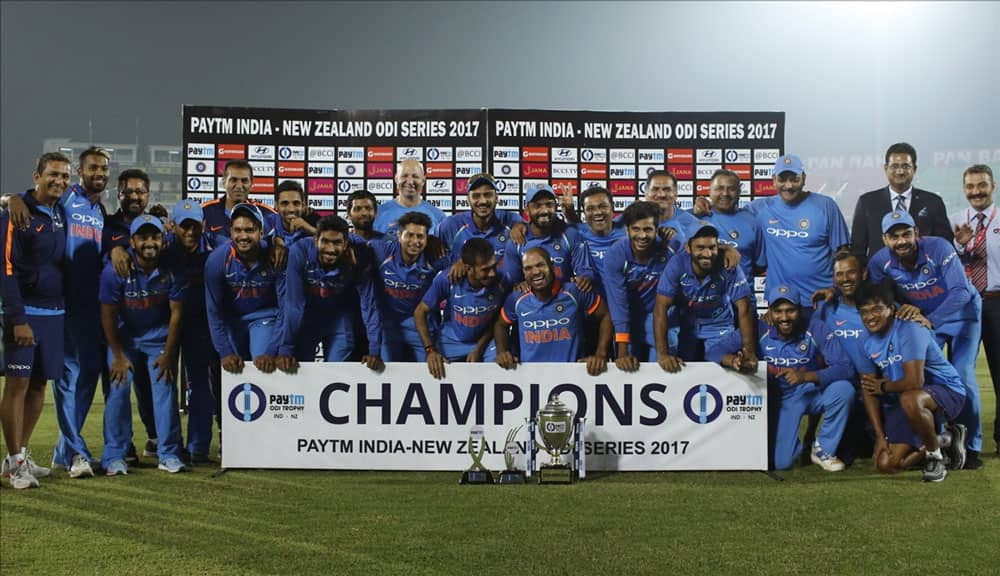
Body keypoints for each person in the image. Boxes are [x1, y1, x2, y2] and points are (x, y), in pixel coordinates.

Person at [8, 147, 110, 477]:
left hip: (82, 308)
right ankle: (75, 453)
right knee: (63, 382)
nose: (99, 173)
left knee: (74, 382)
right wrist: (10, 199)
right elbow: (31, 201)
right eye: (92, 167)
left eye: (104, 169)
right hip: (50, 307)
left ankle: (61, 453)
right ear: (80, 173)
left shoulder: (99, 211)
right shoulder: (67, 199)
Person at [869, 210, 984, 469]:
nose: (901, 241)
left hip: (961, 315)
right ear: (885, 239)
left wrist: (928, 318)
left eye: (906, 234)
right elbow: (881, 297)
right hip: (926, 318)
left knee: (963, 375)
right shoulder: (879, 262)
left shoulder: (939, 248)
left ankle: (972, 448)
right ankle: (940, 439)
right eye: (894, 236)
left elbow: (961, 292)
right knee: (929, 378)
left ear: (916, 234)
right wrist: (902, 309)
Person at [707, 284, 855, 472]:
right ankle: (796, 445)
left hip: (807, 392)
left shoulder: (815, 327)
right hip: (776, 400)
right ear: (770, 312)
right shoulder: (758, 329)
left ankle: (823, 450)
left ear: (799, 310)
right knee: (782, 463)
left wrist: (805, 376)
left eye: (790, 311)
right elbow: (713, 351)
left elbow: (846, 368)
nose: (784, 318)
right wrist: (733, 360)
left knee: (844, 390)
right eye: (778, 311)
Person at [0, 152, 70, 488]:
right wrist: (17, 318)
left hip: (55, 314)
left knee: (40, 385)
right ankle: (14, 465)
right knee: (17, 386)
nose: (59, 181)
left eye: (64, 176)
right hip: (25, 314)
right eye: (53, 175)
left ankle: (22, 454)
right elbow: (6, 269)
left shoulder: (60, 213)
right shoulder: (16, 213)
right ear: (37, 176)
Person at [99, 215, 187, 475]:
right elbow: (107, 314)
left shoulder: (174, 267)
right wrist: (117, 355)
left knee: (165, 386)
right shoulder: (115, 270)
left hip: (158, 337)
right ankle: (115, 454)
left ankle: (169, 453)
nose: (150, 242)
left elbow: (177, 314)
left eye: (155, 237)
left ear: (163, 240)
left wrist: (170, 355)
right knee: (118, 387)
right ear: (133, 241)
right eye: (143, 237)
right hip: (124, 338)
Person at [856, 282, 968, 481]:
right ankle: (945, 439)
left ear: (891, 309)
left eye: (876, 309)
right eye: (864, 312)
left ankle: (935, 458)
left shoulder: (909, 329)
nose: (870, 317)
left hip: (947, 392)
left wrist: (883, 386)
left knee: (910, 398)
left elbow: (915, 382)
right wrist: (880, 436)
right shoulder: (866, 341)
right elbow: (868, 388)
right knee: (886, 464)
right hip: (907, 400)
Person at [749, 154, 850, 321]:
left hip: (821, 301)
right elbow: (728, 216)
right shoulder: (760, 208)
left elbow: (843, 254)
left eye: (794, 179)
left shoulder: (826, 206)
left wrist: (836, 289)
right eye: (782, 179)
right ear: (773, 180)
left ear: (803, 178)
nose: (788, 186)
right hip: (781, 305)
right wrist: (701, 205)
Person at [102, 168, 159, 459]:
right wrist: (114, 249)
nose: (135, 196)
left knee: (150, 386)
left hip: (149, 322)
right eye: (129, 191)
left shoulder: (155, 226)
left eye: (140, 191)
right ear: (119, 193)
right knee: (118, 385)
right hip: (116, 321)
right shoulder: (106, 224)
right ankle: (123, 446)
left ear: (148, 195)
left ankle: (154, 437)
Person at [277, 215, 384, 370]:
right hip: (308, 317)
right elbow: (294, 304)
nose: (331, 249)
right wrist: (285, 347)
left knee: (337, 372)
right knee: (300, 371)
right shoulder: (299, 251)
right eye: (325, 241)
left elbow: (369, 303)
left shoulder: (361, 252)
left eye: (337, 243)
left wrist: (374, 349)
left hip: (340, 318)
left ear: (346, 243)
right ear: (315, 240)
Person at [654, 220, 756, 370]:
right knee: (683, 367)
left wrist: (749, 351)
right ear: (688, 248)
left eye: (712, 247)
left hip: (719, 324)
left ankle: (735, 362)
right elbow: (660, 309)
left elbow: (744, 308)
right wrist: (662, 355)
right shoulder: (677, 264)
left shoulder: (728, 263)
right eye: (700, 248)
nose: (707, 254)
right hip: (687, 326)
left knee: (717, 360)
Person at [494, 248, 611, 376]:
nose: (536, 272)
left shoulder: (574, 292)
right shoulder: (516, 299)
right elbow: (500, 325)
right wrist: (502, 352)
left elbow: (606, 315)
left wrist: (601, 354)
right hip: (530, 378)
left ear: (552, 266)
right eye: (529, 268)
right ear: (523, 273)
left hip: (573, 376)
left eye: (540, 265)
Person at [162, 200, 218, 462]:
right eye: (184, 226)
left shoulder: (216, 248)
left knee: (199, 386)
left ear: (203, 225)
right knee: (163, 385)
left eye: (194, 226)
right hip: (163, 325)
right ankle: (166, 443)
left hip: (201, 325)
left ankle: (198, 447)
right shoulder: (161, 249)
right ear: (172, 226)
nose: (189, 232)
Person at [950, 164, 999, 456]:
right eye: (970, 186)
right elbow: (949, 264)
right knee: (959, 371)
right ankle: (963, 438)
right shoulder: (955, 221)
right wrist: (960, 244)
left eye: (981, 185)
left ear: (993, 186)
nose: (976, 191)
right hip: (965, 305)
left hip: (996, 301)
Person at [204, 203, 285, 374]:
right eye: (238, 230)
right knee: (234, 370)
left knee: (260, 365)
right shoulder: (217, 260)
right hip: (231, 321)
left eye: (249, 230)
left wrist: (272, 350)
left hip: (263, 317)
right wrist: (225, 352)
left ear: (261, 232)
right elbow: (213, 311)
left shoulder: (275, 257)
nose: (243, 236)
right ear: (231, 232)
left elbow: (286, 308)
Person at [414, 238, 507, 378]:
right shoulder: (448, 279)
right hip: (450, 340)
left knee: (499, 368)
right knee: (434, 369)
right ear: (468, 268)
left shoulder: (502, 280)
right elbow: (419, 312)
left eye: (494, 266)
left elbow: (496, 320)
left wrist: (479, 349)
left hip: (484, 341)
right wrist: (430, 350)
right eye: (485, 269)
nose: (492, 273)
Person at [603, 201, 680, 367]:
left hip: (660, 316)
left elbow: (700, 245)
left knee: (663, 362)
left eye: (648, 229)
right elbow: (618, 305)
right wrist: (622, 352)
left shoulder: (670, 248)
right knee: (627, 365)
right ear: (627, 230)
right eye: (636, 229)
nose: (642, 235)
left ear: (656, 230)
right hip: (628, 317)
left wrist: (726, 249)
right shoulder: (616, 255)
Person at [851, 142, 952, 260]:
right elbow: (857, 249)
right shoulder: (867, 202)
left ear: (914, 169)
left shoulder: (933, 202)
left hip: (924, 275)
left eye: (905, 166)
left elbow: (944, 244)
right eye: (894, 166)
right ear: (885, 168)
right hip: (880, 275)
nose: (900, 171)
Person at [370, 211, 449, 361]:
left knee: (428, 373)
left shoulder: (435, 257)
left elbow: (464, 262)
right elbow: (355, 244)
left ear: (427, 239)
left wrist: (459, 263)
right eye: (409, 235)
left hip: (421, 327)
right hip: (388, 326)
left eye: (420, 236)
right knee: (386, 375)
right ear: (399, 236)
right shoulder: (381, 250)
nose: (415, 241)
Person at [500, 184, 595, 290]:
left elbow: (585, 270)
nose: (544, 211)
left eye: (549, 205)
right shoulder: (516, 240)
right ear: (526, 209)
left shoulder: (569, 234)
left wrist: (584, 279)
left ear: (555, 206)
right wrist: (518, 286)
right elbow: (511, 282)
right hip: (530, 302)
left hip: (564, 299)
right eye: (537, 206)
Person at [691, 169, 767, 280]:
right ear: (710, 191)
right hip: (705, 295)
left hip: (743, 295)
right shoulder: (694, 217)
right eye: (719, 188)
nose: (725, 193)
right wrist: (722, 249)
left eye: (731, 189)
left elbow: (760, 266)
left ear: (739, 192)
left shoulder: (753, 221)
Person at [436, 173, 521, 268]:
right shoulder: (451, 225)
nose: (483, 201)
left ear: (496, 198)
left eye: (488, 195)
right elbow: (430, 250)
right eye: (476, 196)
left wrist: (521, 225)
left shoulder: (512, 221)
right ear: (468, 199)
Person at [201, 160, 278, 243]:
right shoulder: (205, 211)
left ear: (251, 184)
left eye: (244, 181)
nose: (239, 186)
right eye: (233, 180)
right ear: (224, 182)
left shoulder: (266, 214)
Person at [372, 159, 445, 236]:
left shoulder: (438, 216)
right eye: (404, 176)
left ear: (423, 180)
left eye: (415, 176)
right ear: (396, 179)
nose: (410, 181)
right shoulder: (378, 214)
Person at [645, 170, 699, 243]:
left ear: (675, 194)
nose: (661, 195)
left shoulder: (693, 224)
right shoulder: (630, 221)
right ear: (646, 193)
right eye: (655, 189)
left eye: (667, 189)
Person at [270, 180, 317, 245]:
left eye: (296, 203)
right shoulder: (266, 223)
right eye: (285, 203)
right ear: (276, 206)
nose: (291, 209)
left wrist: (311, 230)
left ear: (303, 206)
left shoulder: (316, 221)